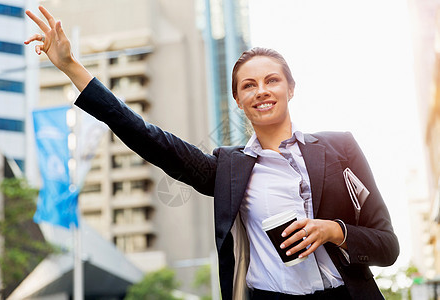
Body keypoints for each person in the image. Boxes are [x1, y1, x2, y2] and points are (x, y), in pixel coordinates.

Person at [25, 6, 399, 300]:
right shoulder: (230, 168)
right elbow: (147, 136)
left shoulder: (340, 147)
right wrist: (73, 67)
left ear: (291, 88)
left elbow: (387, 246)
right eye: (248, 85)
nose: (261, 91)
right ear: (238, 101)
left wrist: (334, 230)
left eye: (272, 80)